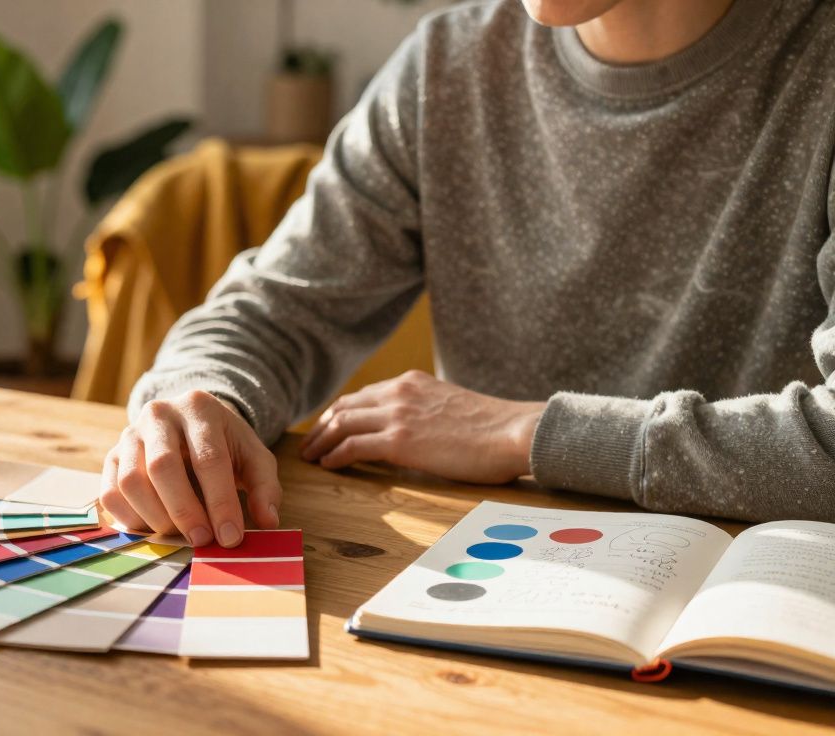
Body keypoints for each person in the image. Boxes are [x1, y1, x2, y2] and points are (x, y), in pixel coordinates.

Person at [97, 0, 835, 548]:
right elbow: (276, 311)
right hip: (493, 578)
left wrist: (525, 432)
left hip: (756, 602)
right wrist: (199, 399)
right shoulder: (448, 64)